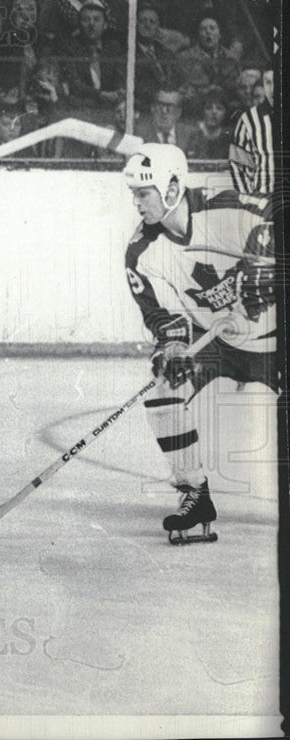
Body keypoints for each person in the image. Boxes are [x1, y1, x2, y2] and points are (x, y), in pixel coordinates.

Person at [122, 144, 278, 544]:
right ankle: (195, 492)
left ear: (172, 188)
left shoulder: (227, 205)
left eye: (144, 193)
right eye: (134, 195)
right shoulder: (141, 252)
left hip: (277, 336)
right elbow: (159, 315)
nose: (137, 203)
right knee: (163, 386)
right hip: (219, 341)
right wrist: (172, 348)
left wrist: (266, 263)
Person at [229, 69, 274, 201]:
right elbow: (237, 164)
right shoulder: (248, 119)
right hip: (262, 202)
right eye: (268, 83)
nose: (273, 89)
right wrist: (250, 200)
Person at [136, 87, 194, 152]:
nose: (164, 111)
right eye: (160, 105)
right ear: (152, 108)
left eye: (170, 106)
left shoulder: (190, 136)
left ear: (178, 112)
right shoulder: (139, 135)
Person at [185, 90, 232, 161]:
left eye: (219, 108)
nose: (214, 112)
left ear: (225, 113)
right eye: (209, 108)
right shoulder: (191, 133)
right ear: (202, 111)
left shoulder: (228, 136)